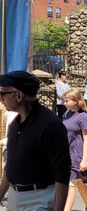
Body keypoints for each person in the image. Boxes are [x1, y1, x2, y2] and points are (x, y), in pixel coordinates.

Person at [0, 70, 71, 211]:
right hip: (15, 198)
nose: (1, 99)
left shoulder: (50, 125)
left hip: (40, 199)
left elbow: (62, 173)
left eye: (2, 94)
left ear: (18, 95)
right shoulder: (15, 124)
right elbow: (10, 167)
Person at [63, 89, 87, 211]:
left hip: (78, 154)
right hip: (67, 153)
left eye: (67, 101)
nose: (64, 103)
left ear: (76, 101)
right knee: (79, 182)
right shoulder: (66, 114)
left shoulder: (83, 117)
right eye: (64, 100)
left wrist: (84, 160)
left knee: (71, 183)